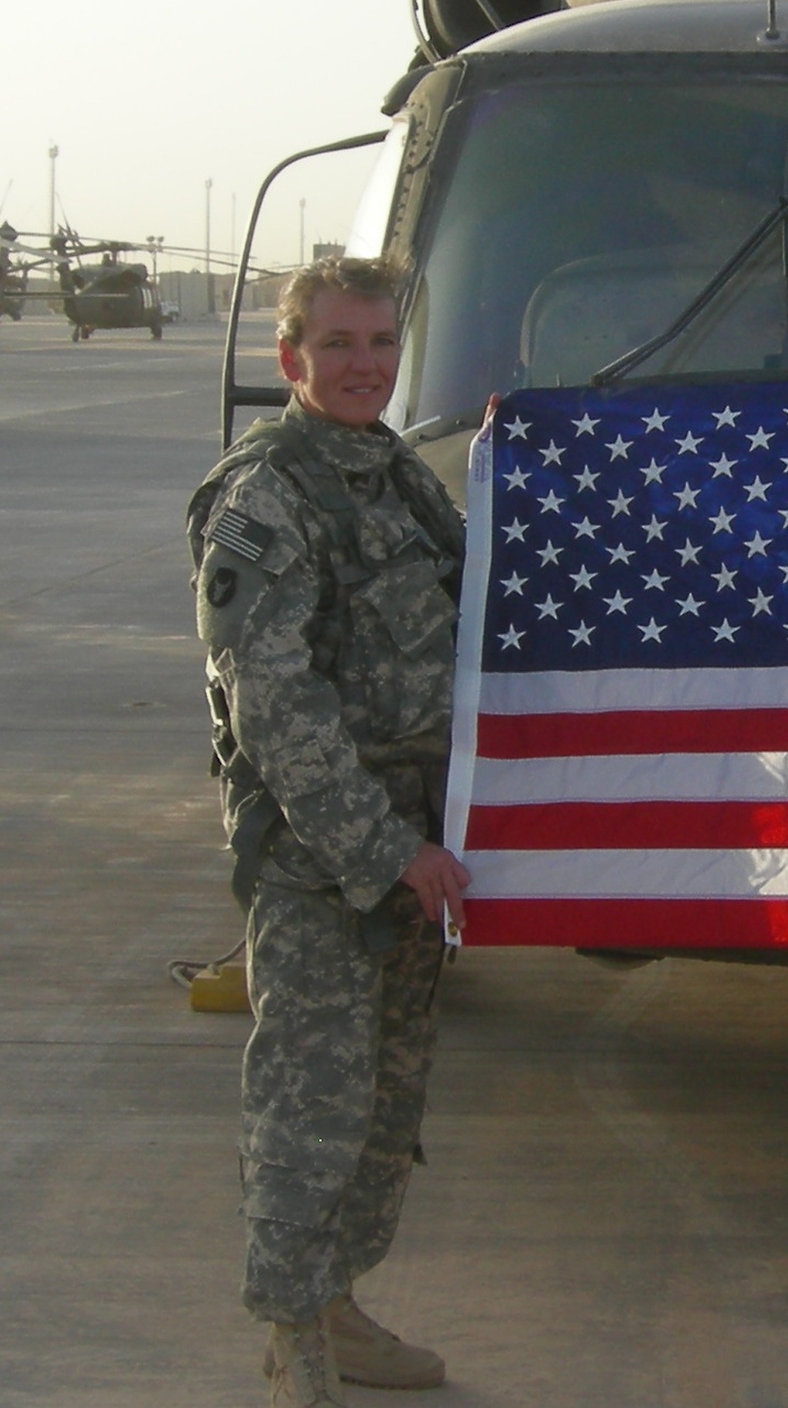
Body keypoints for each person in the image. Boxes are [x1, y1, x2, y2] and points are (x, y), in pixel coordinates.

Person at [187, 255, 470, 1408]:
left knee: (384, 1105)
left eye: (381, 345)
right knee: (309, 1104)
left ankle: (340, 1304)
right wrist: (381, 851)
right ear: (289, 360)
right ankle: (291, 1336)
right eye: (340, 346)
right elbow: (271, 699)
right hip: (322, 859)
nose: (365, 366)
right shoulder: (263, 498)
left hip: (413, 847)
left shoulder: (399, 476)